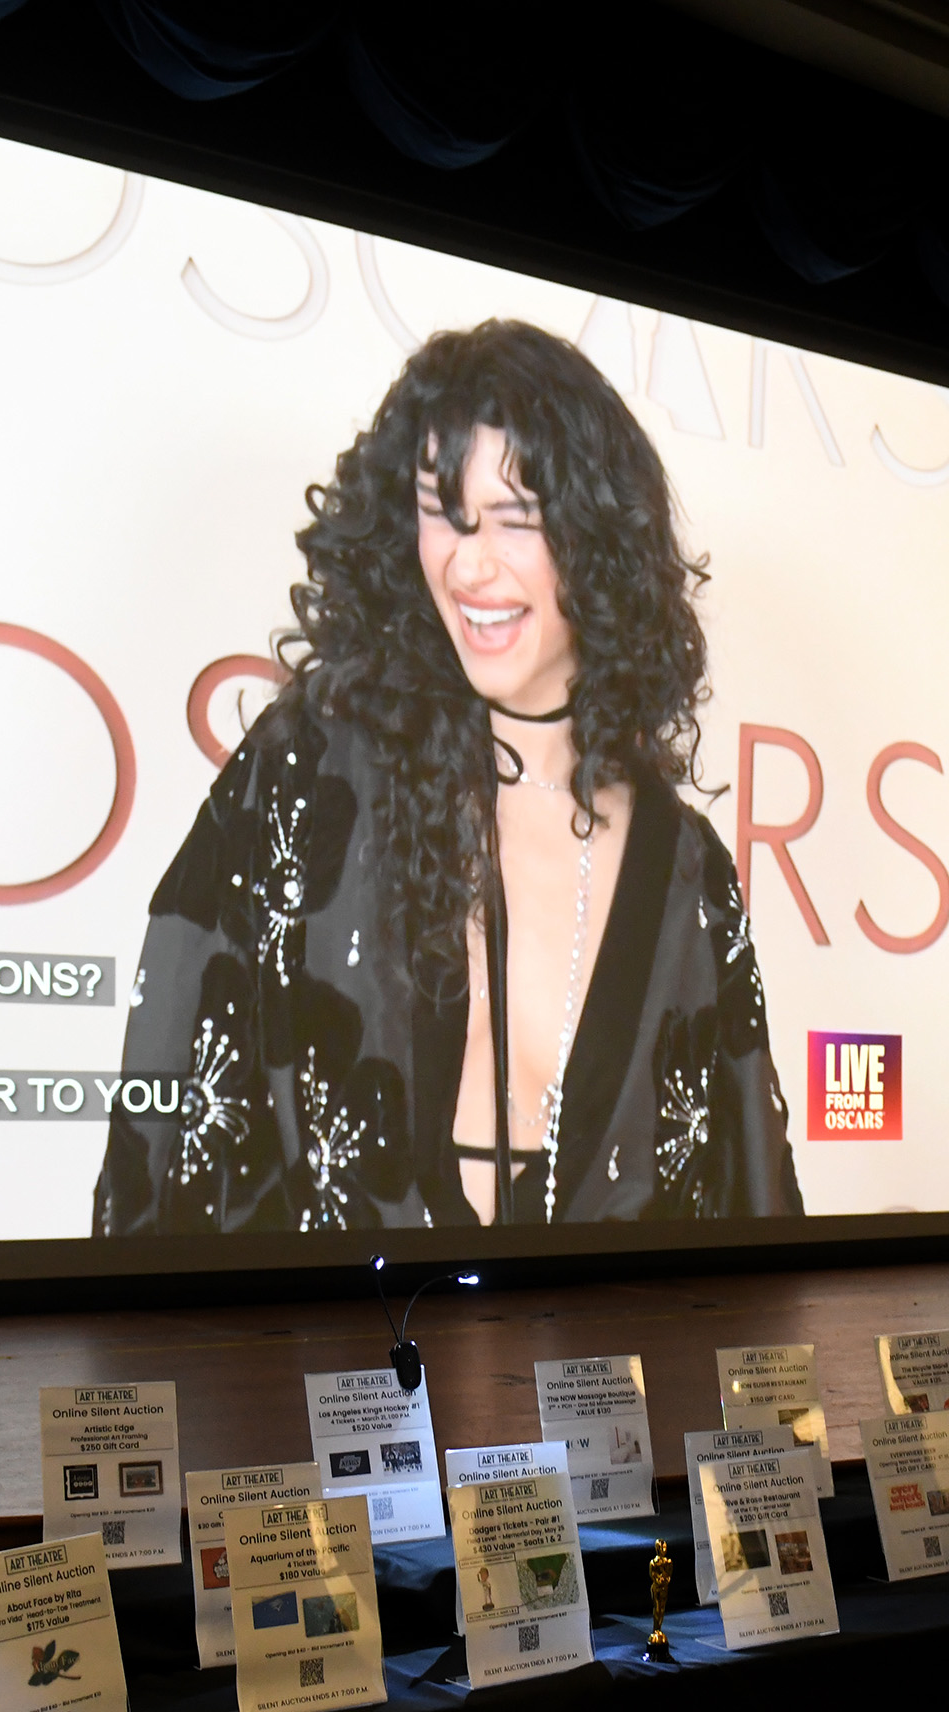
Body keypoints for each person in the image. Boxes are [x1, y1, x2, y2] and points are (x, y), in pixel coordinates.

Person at [93, 320, 803, 1234]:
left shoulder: (685, 873)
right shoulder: (308, 779)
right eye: (444, 513)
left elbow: (750, 1209)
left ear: (598, 541)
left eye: (516, 519)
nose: (470, 565)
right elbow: (163, 1139)